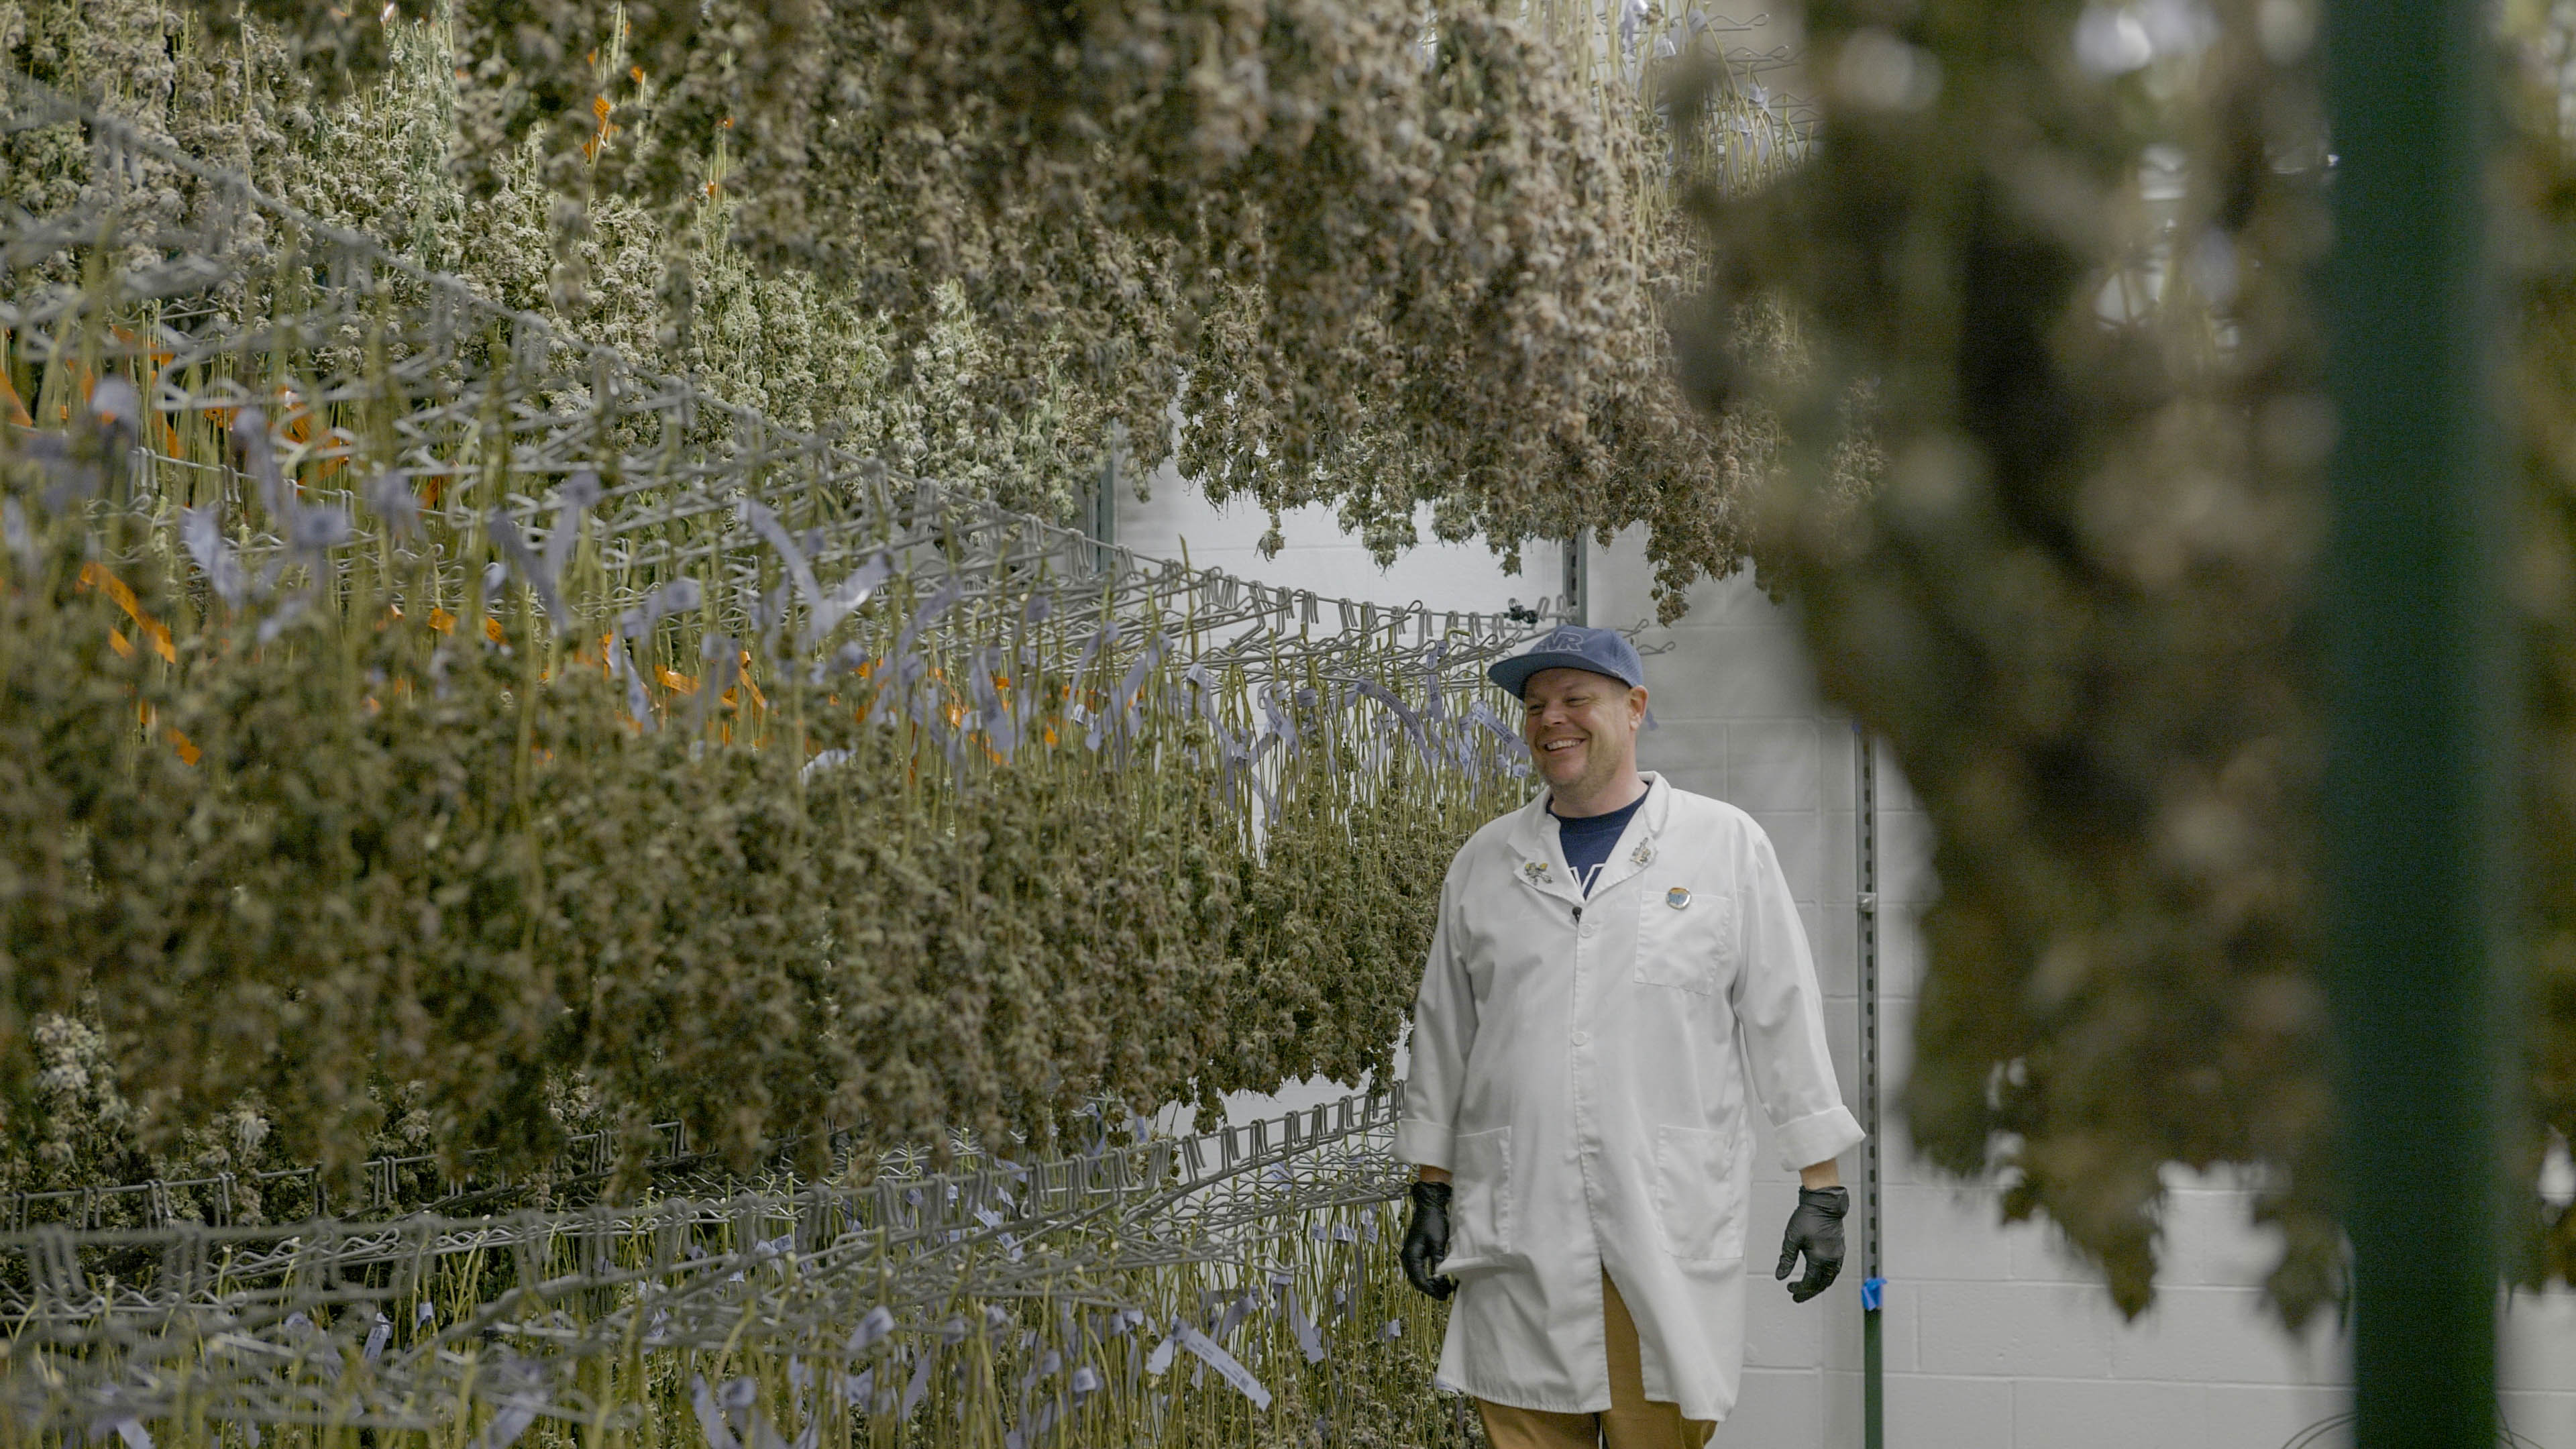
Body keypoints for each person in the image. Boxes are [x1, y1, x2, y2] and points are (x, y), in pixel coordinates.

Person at [1395, 625, 1863, 1449]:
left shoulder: (1723, 846)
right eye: (1536, 706)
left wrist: (1820, 1188)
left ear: (1635, 707)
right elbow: (1444, 1036)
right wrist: (1430, 1189)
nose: (1552, 721)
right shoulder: (1485, 863)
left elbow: (1782, 1015)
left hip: (1659, 1229)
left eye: (1577, 700)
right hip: (1521, 1237)